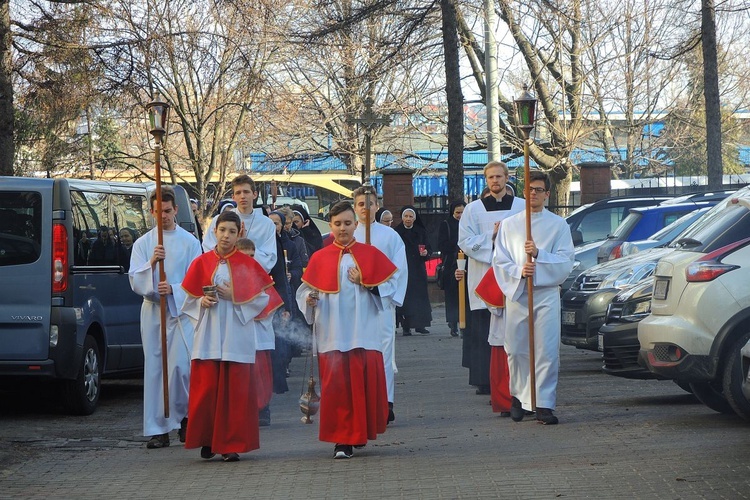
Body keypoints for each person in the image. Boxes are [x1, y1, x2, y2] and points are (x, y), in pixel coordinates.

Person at [296, 201, 396, 459]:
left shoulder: (370, 254)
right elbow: (305, 290)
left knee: (361, 384)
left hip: (363, 330)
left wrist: (367, 283)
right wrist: (309, 300)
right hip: (333, 331)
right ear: (330, 226)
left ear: (356, 225)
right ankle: (342, 440)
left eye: (348, 223)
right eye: (338, 224)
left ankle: (358, 433)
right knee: (337, 386)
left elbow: (390, 287)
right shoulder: (319, 257)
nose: (343, 228)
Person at [181, 211, 272, 461]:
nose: (227, 236)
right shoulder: (201, 262)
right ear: (215, 231)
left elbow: (262, 299)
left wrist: (236, 296)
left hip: (236, 334)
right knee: (208, 391)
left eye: (232, 231)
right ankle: (208, 439)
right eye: (222, 230)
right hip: (209, 334)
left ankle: (230, 444)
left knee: (235, 393)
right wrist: (202, 301)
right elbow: (187, 300)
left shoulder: (249, 264)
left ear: (239, 233)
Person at [492, 171, 575, 425]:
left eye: (539, 190)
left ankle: (544, 404)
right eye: (530, 189)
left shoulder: (558, 225)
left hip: (546, 293)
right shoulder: (510, 224)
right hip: (519, 293)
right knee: (517, 349)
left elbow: (566, 260)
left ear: (547, 194)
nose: (534, 194)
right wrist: (520, 270)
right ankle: (518, 396)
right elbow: (500, 260)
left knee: (546, 350)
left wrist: (539, 256)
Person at [129, 186, 202, 449]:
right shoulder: (143, 243)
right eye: (158, 212)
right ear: (151, 212)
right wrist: (151, 263)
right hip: (153, 314)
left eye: (168, 211)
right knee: (156, 370)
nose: (164, 217)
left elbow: (197, 280)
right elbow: (135, 280)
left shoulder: (190, 242)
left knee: (181, 368)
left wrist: (173, 288)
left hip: (181, 313)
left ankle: (183, 418)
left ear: (176, 210)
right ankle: (159, 429)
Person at [458, 161, 525, 396]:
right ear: (486, 181)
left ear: (507, 178)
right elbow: (465, 241)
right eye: (490, 178)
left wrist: (504, 246)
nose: (495, 181)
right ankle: (484, 380)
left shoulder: (521, 207)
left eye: (499, 176)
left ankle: (514, 379)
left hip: (513, 276)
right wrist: (492, 239)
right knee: (482, 330)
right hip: (483, 276)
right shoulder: (472, 209)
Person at [352, 187, 407, 424]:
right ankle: (360, 401)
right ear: (355, 207)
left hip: (380, 303)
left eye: (370, 204)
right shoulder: (347, 233)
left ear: (377, 206)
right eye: (361, 204)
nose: (366, 209)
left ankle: (385, 401)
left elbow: (399, 270)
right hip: (352, 305)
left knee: (383, 352)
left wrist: (378, 289)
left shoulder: (389, 236)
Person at [236, 238, 283, 427]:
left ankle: (263, 409)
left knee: (261, 375)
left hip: (259, 335)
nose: (249, 260)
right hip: (239, 336)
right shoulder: (229, 276)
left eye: (252, 256)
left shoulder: (260, 275)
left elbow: (269, 302)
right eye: (244, 256)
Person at [202, 175, 277, 274]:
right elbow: (209, 251)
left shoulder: (267, 224)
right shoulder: (219, 220)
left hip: (254, 278)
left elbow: (269, 261)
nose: (242, 196)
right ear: (233, 197)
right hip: (225, 276)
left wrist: (245, 245)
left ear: (254, 194)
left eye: (246, 192)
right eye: (238, 193)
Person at [394, 205, 432, 335]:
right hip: (404, 268)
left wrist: (426, 253)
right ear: (402, 217)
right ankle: (406, 326)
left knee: (420, 297)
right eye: (406, 216)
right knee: (406, 298)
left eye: (411, 216)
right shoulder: (397, 232)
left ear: (415, 218)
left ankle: (420, 325)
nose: (408, 219)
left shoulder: (421, 231)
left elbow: (428, 247)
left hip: (418, 268)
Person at [437, 201, 466, 337]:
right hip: (451, 264)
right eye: (457, 213)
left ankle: (464, 321)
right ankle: (453, 322)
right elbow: (441, 245)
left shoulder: (468, 224)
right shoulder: (446, 224)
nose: (460, 215)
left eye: (463, 212)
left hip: (467, 262)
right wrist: (456, 246)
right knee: (452, 295)